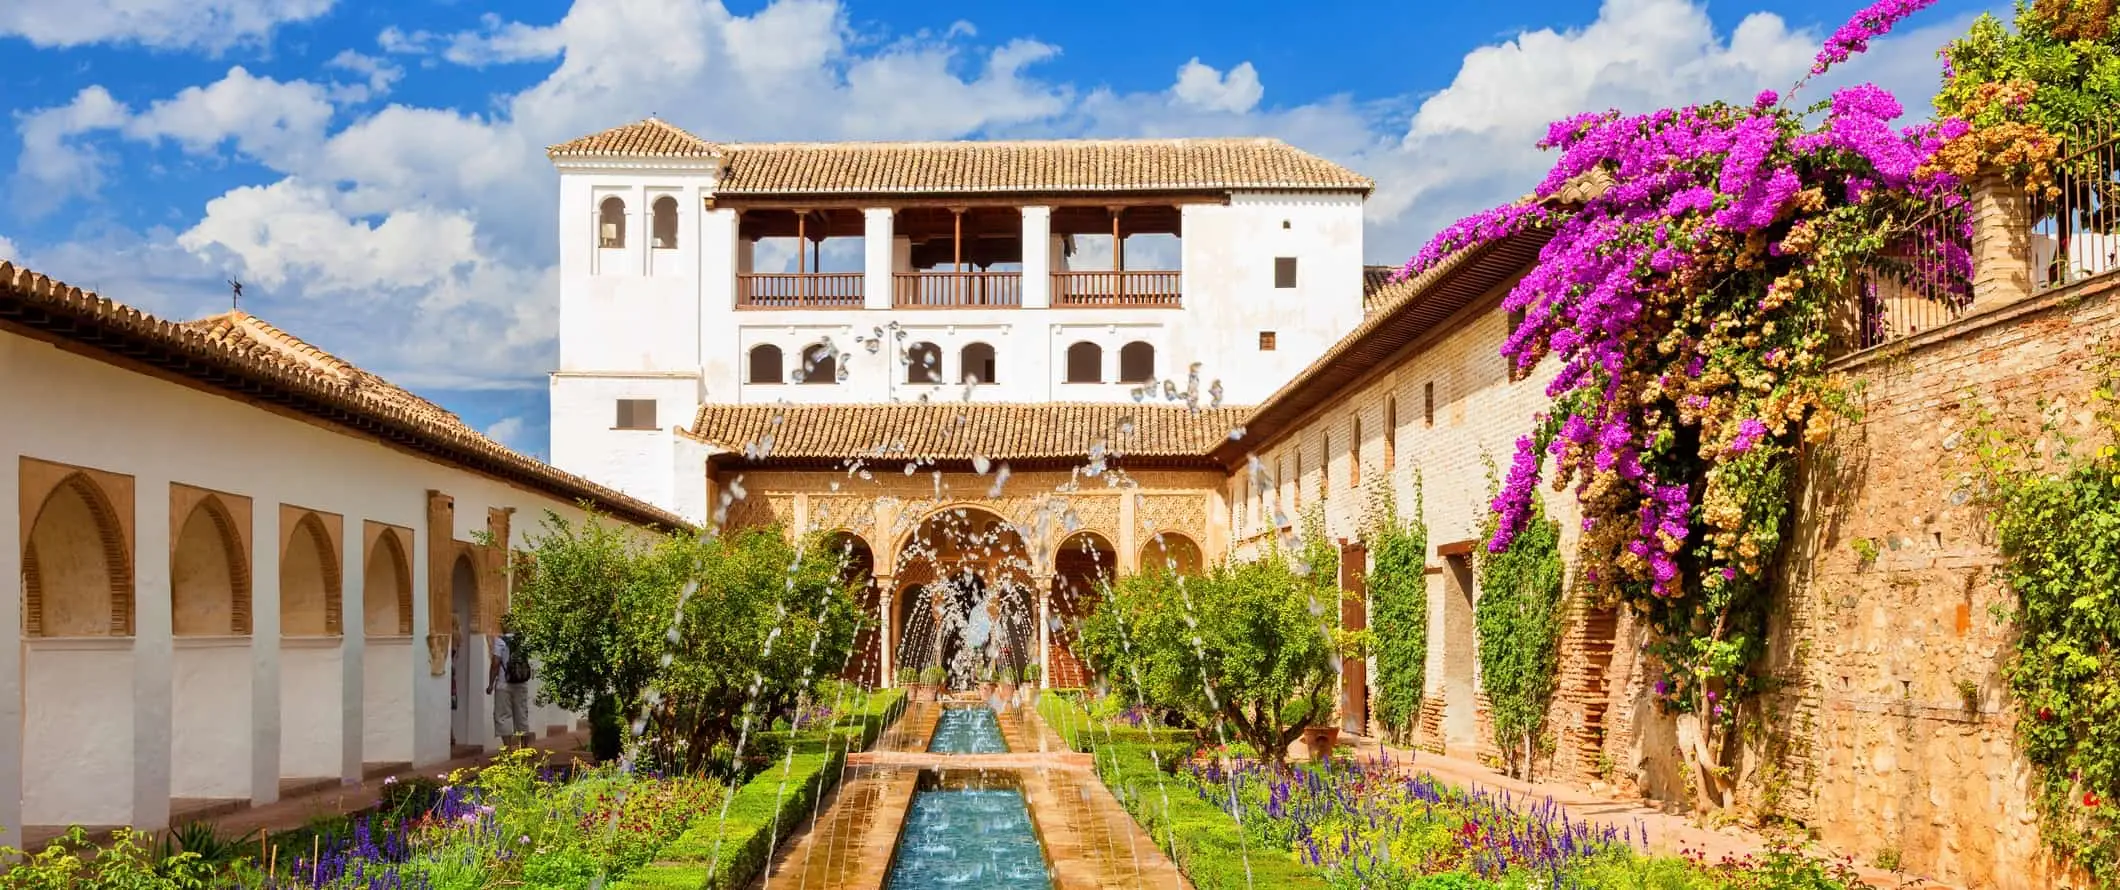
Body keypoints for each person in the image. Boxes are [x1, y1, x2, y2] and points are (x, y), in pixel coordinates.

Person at [488, 616, 534, 749]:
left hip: (504, 683)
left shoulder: (500, 641)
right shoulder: (524, 640)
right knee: (521, 715)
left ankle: (508, 749)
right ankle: (523, 749)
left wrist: (491, 684)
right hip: (521, 683)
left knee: (503, 716)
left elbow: (496, 663)